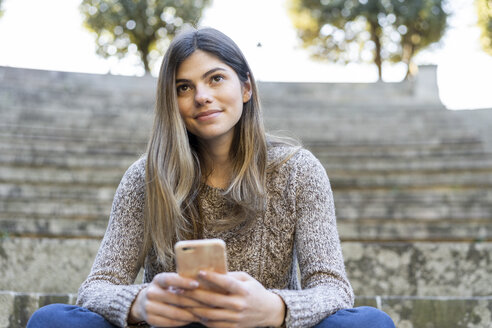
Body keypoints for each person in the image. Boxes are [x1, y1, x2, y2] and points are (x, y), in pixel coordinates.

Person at [27, 27, 395, 328]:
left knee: (369, 323)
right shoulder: (146, 177)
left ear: (246, 88)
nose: (201, 96)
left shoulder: (299, 170)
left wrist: (275, 309)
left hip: (263, 327)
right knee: (51, 321)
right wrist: (139, 303)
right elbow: (96, 287)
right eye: (183, 87)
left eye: (215, 79)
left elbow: (332, 289)